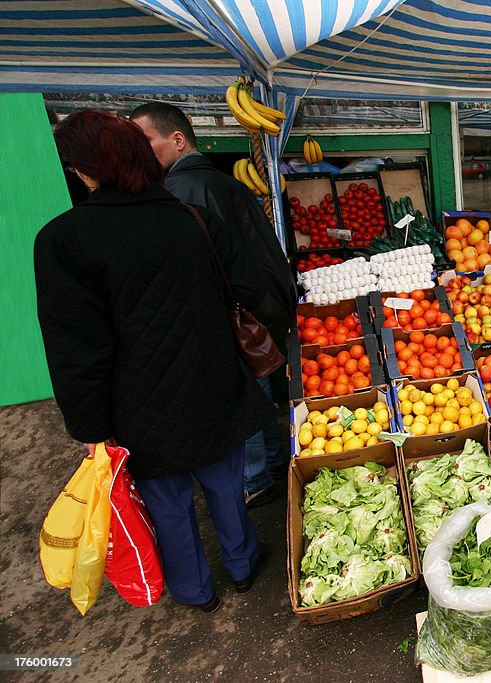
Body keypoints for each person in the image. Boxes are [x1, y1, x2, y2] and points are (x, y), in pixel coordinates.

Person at [35, 109, 275, 613]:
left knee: (166, 503)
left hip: (139, 401)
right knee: (226, 485)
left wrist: (90, 423)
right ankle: (243, 564)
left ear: (85, 169)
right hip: (213, 380)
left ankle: (193, 591)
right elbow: (245, 287)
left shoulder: (63, 239)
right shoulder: (190, 217)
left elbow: (76, 344)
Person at [129, 102, 296, 508]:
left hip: (235, 308)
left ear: (177, 139)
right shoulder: (220, 182)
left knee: (242, 391)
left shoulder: (181, 192)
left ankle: (255, 478)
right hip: (260, 300)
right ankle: (274, 460)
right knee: (256, 385)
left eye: (144, 140)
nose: (137, 151)